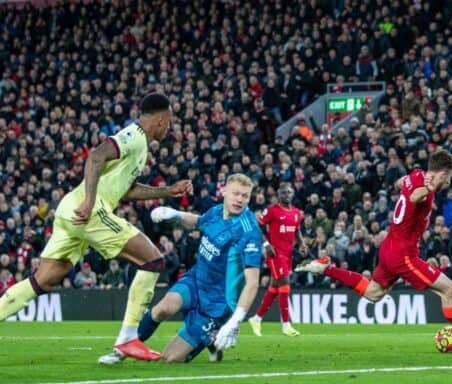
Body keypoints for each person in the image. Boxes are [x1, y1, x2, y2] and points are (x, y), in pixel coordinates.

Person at [0, 93, 194, 364]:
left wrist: (167, 190)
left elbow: (126, 191)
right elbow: (96, 155)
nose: (170, 128)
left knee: (42, 279)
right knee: (153, 261)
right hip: (88, 209)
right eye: (169, 122)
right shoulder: (135, 135)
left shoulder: (142, 147)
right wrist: (91, 201)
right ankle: (128, 338)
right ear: (161, 120)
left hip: (71, 209)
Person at [297, 150, 452, 353]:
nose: (449, 183)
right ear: (443, 174)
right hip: (403, 254)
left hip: (389, 246)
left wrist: (415, 186)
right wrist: (427, 189)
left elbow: (400, 183)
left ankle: (326, 269)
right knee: (449, 290)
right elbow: (414, 197)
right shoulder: (424, 188)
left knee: (373, 293)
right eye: (451, 177)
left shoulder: (416, 174)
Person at [135, 174, 262, 362]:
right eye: (236, 193)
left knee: (171, 359)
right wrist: (174, 214)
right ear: (224, 192)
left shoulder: (248, 231)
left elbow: (252, 283)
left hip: (217, 302)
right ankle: (126, 345)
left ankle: (210, 337)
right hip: (195, 280)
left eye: (245, 196)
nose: (239, 199)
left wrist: (235, 321)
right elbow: (198, 222)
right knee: (163, 308)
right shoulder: (217, 211)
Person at [248, 183, 307, 337]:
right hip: (275, 254)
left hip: (288, 254)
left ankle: (256, 318)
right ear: (279, 195)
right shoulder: (272, 211)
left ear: (293, 194)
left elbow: (297, 230)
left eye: (289, 192)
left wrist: (301, 243)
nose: (286, 194)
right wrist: (266, 244)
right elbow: (257, 227)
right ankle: (286, 324)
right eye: (283, 192)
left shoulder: (296, 213)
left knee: (275, 287)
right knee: (285, 285)